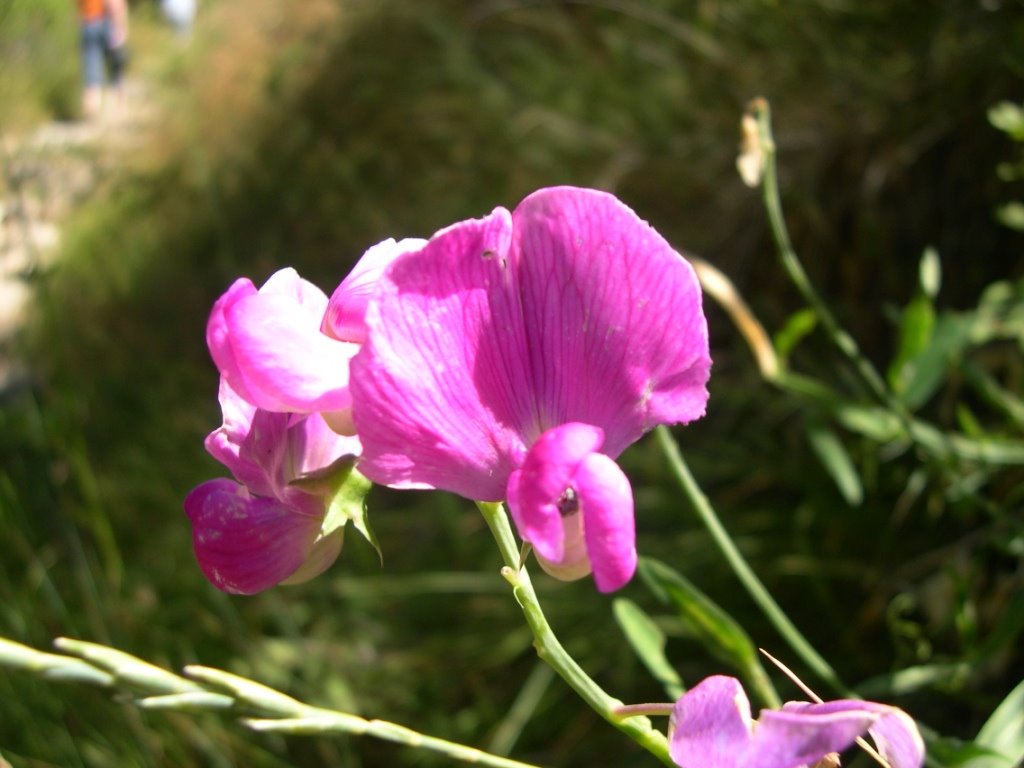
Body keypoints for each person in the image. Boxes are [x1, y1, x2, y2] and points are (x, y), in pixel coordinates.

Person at [77, 0, 129, 118]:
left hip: (88, 23)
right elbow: (115, 4)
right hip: (106, 23)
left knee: (92, 67)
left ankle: (92, 107)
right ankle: (118, 107)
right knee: (116, 66)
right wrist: (120, 26)